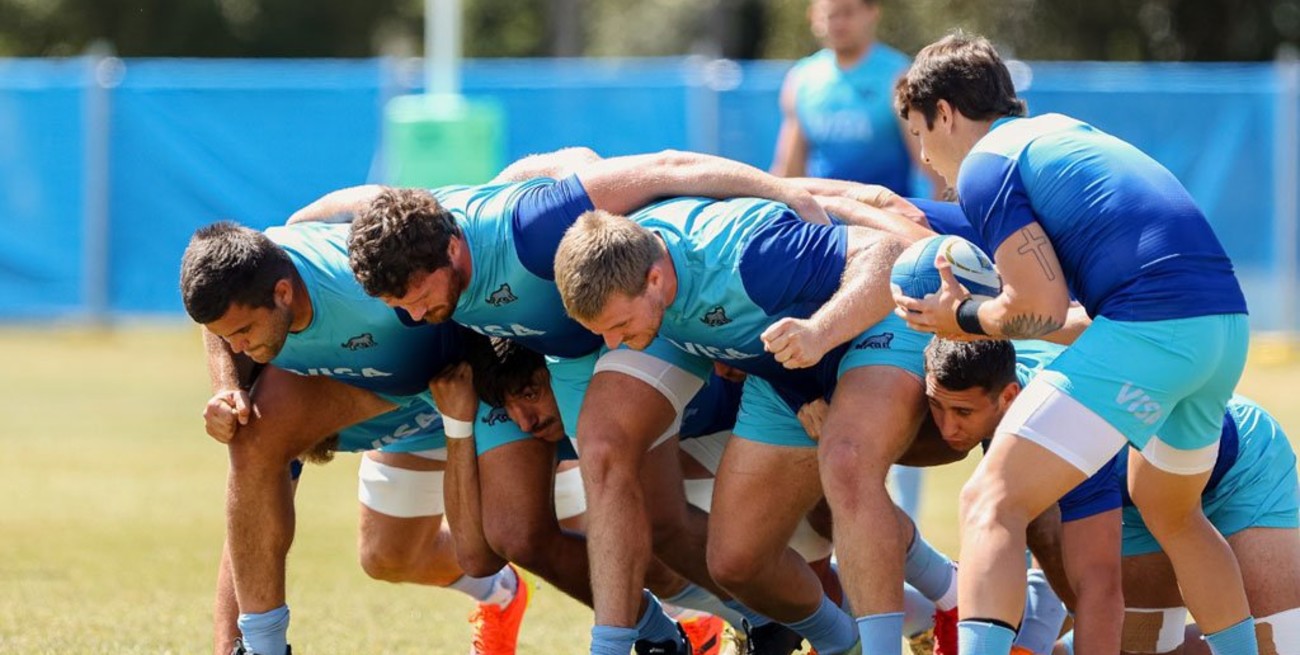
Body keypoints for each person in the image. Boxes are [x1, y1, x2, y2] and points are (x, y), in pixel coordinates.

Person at [307, 148, 834, 655]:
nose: (417, 316)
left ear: (451, 249)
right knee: (528, 534)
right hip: (548, 359)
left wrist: (784, 191)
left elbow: (664, 166)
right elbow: (350, 203)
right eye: (402, 307)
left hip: (625, 332)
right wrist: (293, 227)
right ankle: (690, 630)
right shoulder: (418, 232)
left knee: (654, 507)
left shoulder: (529, 228)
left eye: (422, 298)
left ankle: (790, 623)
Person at [893, 32, 1256, 654]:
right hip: (1224, 324)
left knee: (990, 499)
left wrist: (963, 316)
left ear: (945, 113)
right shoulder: (1057, 132)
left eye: (919, 132)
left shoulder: (986, 163)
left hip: (1154, 326)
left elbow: (1039, 307)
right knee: (1172, 513)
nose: (924, 156)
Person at [553, 194, 950, 655]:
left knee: (846, 462)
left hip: (875, 322)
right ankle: (847, 642)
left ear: (655, 278)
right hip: (792, 376)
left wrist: (819, 333)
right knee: (734, 561)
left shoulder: (749, 255)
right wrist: (799, 387)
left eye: (619, 324)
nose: (612, 343)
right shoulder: (631, 260)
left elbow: (884, 254)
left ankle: (946, 605)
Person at [180, 221, 529, 655]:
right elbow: (223, 319)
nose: (236, 345)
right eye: (228, 335)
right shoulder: (250, 273)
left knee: (535, 527)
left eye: (244, 332)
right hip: (387, 396)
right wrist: (226, 387)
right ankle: (502, 592)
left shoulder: (370, 289)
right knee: (386, 556)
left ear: (283, 293)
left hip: (449, 393)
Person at [771, 0, 945, 205]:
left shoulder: (899, 77)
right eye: (830, 15)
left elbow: (935, 170)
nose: (839, 23)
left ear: (872, 13)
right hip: (823, 216)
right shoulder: (801, 79)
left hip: (887, 215)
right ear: (813, 18)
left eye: (848, 13)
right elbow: (789, 171)